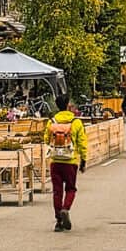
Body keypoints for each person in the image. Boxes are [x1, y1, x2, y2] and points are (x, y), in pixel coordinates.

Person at [44, 92, 88, 232]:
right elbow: (82, 142)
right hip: (71, 160)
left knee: (57, 191)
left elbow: (46, 139)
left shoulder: (52, 122)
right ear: (68, 105)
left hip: (55, 160)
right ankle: (65, 209)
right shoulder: (76, 122)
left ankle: (58, 221)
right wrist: (83, 160)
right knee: (70, 188)